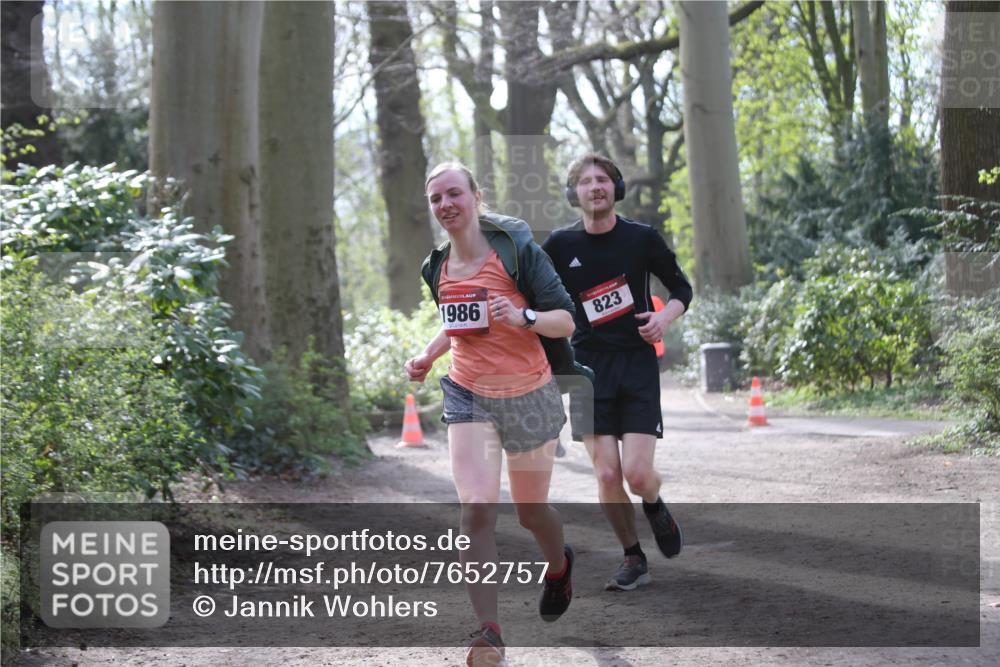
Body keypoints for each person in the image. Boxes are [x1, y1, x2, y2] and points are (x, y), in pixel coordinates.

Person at [405, 162, 580, 667]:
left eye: (454, 194)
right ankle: (489, 633)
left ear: (476, 197)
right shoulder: (436, 266)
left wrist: (524, 316)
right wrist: (427, 356)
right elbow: (456, 321)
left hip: (528, 393)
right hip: (469, 393)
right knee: (477, 507)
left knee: (530, 513)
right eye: (436, 198)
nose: (446, 205)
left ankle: (558, 565)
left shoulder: (518, 253)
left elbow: (565, 320)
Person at [541, 153, 693, 592]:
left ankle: (653, 502)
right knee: (607, 475)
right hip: (586, 372)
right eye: (585, 181)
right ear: (575, 194)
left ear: (616, 188)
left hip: (637, 365)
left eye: (603, 179)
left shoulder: (642, 239)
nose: (595, 187)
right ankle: (633, 557)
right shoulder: (559, 247)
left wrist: (665, 319)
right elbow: (530, 293)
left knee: (637, 475)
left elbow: (681, 288)